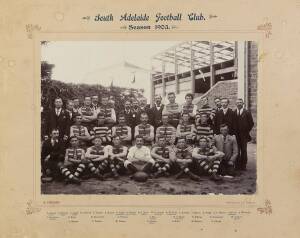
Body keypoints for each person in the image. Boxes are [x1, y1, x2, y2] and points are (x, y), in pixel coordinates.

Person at [233, 98, 254, 171]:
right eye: (237, 102)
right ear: (236, 104)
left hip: (244, 135)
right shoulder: (234, 112)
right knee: (237, 150)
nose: (239, 104)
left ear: (243, 104)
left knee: (244, 150)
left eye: (240, 102)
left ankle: (243, 165)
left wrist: (246, 131)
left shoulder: (247, 112)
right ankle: (237, 165)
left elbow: (251, 123)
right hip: (236, 135)